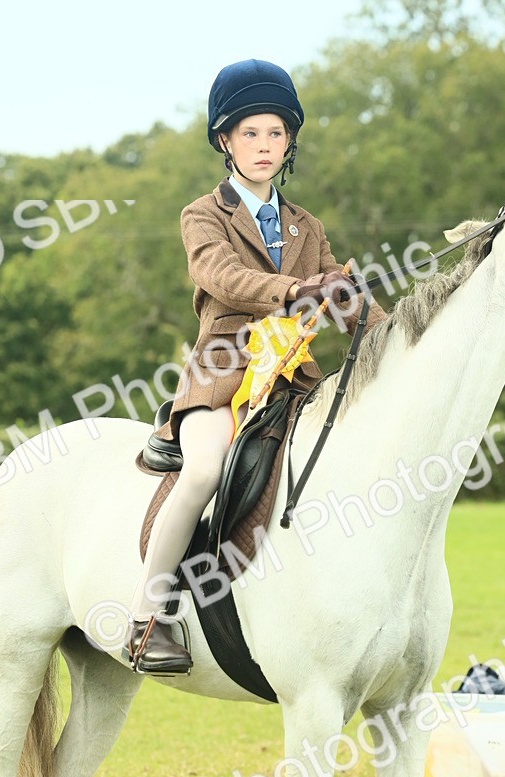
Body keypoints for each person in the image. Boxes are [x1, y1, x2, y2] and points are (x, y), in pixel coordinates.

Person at [124, 59, 387, 674]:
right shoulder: (203, 215)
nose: (264, 146)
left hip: (292, 380)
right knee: (202, 472)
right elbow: (221, 276)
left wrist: (388, 333)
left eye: (275, 134)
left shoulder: (307, 226)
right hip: (221, 374)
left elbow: (346, 302)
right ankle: (147, 618)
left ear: (290, 140)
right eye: (250, 134)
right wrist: (297, 288)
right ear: (225, 141)